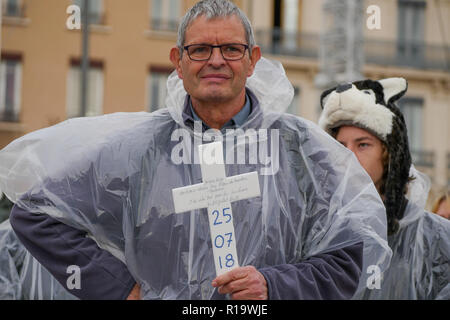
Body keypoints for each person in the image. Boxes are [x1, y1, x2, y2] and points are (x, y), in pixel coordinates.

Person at [1, 0, 390, 300]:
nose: (216, 60)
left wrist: (274, 286)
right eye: (200, 49)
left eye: (232, 49)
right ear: (178, 61)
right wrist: (117, 287)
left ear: (253, 60)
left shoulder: (302, 151)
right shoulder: (136, 150)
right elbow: (35, 213)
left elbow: (349, 254)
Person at [318, 78, 450, 299]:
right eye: (340, 146)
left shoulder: (434, 237)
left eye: (363, 144)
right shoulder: (317, 231)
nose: (349, 156)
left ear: (389, 154)